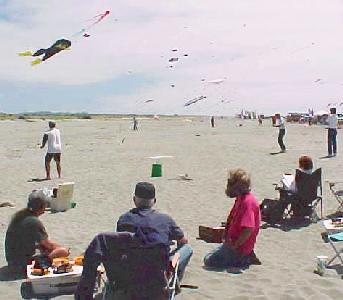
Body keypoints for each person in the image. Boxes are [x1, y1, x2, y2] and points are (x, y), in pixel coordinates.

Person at [117, 182, 193, 281]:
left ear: (134, 200)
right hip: (158, 271)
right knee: (187, 248)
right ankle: (175, 281)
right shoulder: (165, 219)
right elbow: (183, 241)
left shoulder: (124, 219)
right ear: (154, 201)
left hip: (131, 270)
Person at [204, 169, 261, 269]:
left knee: (208, 260)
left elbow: (249, 229)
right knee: (211, 255)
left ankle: (245, 258)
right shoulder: (240, 199)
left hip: (239, 249)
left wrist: (235, 245)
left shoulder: (248, 203)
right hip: (232, 243)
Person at [4, 190, 69, 276]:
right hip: (20, 266)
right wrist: (62, 249)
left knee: (46, 249)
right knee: (62, 252)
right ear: (42, 206)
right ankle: (40, 266)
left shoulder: (21, 216)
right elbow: (49, 245)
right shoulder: (33, 221)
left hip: (13, 262)